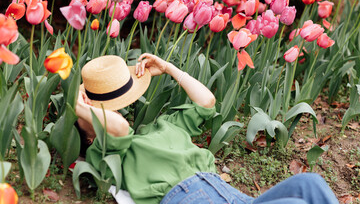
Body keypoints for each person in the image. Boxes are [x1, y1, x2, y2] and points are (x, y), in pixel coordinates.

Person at [76, 53, 339, 204]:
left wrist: (169, 69)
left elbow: (207, 102)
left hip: (229, 195)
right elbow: (119, 127)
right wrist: (77, 105)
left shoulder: (163, 127)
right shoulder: (106, 152)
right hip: (187, 198)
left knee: (311, 184)